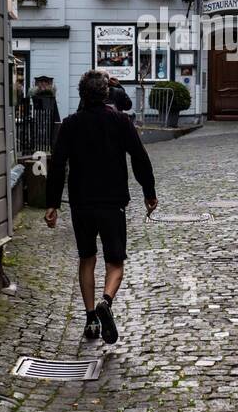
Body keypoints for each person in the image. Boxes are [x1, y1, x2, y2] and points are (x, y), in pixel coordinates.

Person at [44, 69, 157, 344]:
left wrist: (52, 204)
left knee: (87, 258)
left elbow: (58, 165)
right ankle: (106, 302)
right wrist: (149, 192)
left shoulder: (70, 124)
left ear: (82, 94)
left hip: (81, 203)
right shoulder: (120, 121)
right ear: (107, 93)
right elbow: (139, 157)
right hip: (112, 201)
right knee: (115, 262)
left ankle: (90, 318)